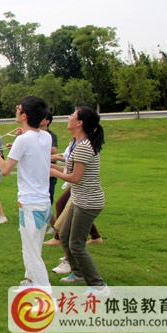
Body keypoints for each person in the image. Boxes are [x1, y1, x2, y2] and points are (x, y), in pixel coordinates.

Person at [0, 96, 52, 287]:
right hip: (43, 204)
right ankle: (30, 282)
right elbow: (33, 146)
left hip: (31, 205)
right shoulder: (45, 136)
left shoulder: (23, 140)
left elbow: (5, 170)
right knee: (32, 248)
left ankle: (46, 295)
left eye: (18, 108)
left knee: (33, 254)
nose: (16, 110)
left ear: (24, 115)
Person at [50, 106, 109, 295]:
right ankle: (78, 273)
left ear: (80, 122)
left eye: (73, 115)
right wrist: (47, 165)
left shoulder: (84, 146)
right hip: (78, 199)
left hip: (88, 202)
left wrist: (53, 172)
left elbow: (75, 178)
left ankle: (98, 286)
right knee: (65, 236)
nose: (69, 117)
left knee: (76, 244)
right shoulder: (78, 143)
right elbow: (69, 171)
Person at [40, 112, 58, 232]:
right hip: (37, 172)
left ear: (47, 121)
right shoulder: (36, 133)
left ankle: (54, 226)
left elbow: (54, 150)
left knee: (47, 202)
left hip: (49, 173)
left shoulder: (51, 135)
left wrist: (38, 147)